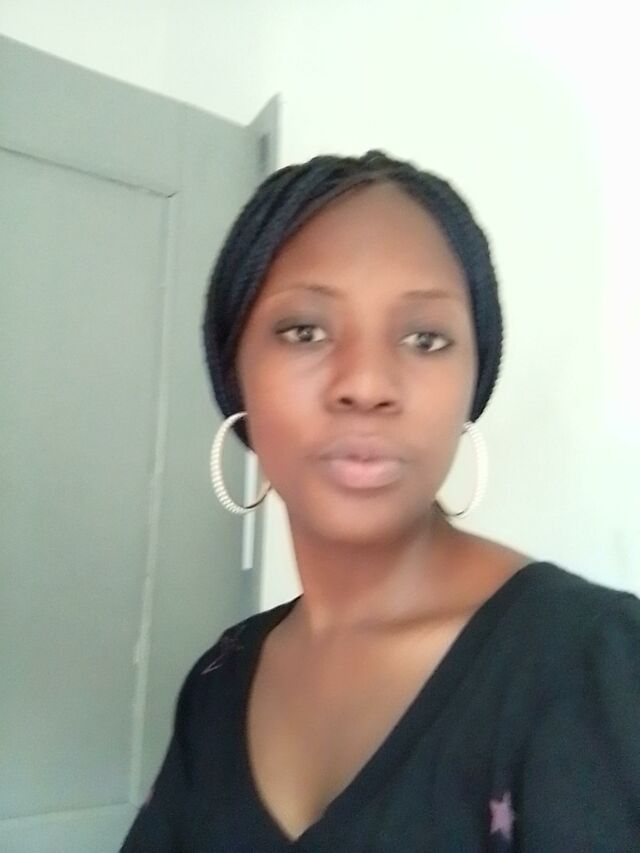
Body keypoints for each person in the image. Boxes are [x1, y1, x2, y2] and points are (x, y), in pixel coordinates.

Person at [120, 150, 640, 851]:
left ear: (473, 382)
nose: (366, 384)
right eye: (305, 330)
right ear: (233, 370)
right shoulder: (219, 680)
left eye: (425, 338)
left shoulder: (597, 664)